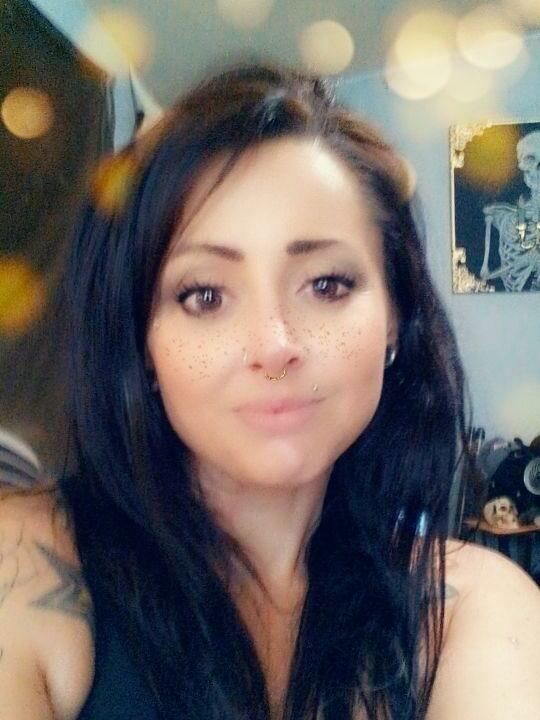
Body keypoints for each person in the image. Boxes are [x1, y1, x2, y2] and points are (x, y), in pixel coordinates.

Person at [0, 61, 538, 720]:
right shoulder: (24, 567)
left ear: (394, 318)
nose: (274, 344)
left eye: (327, 284)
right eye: (204, 295)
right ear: (142, 342)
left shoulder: (475, 607)